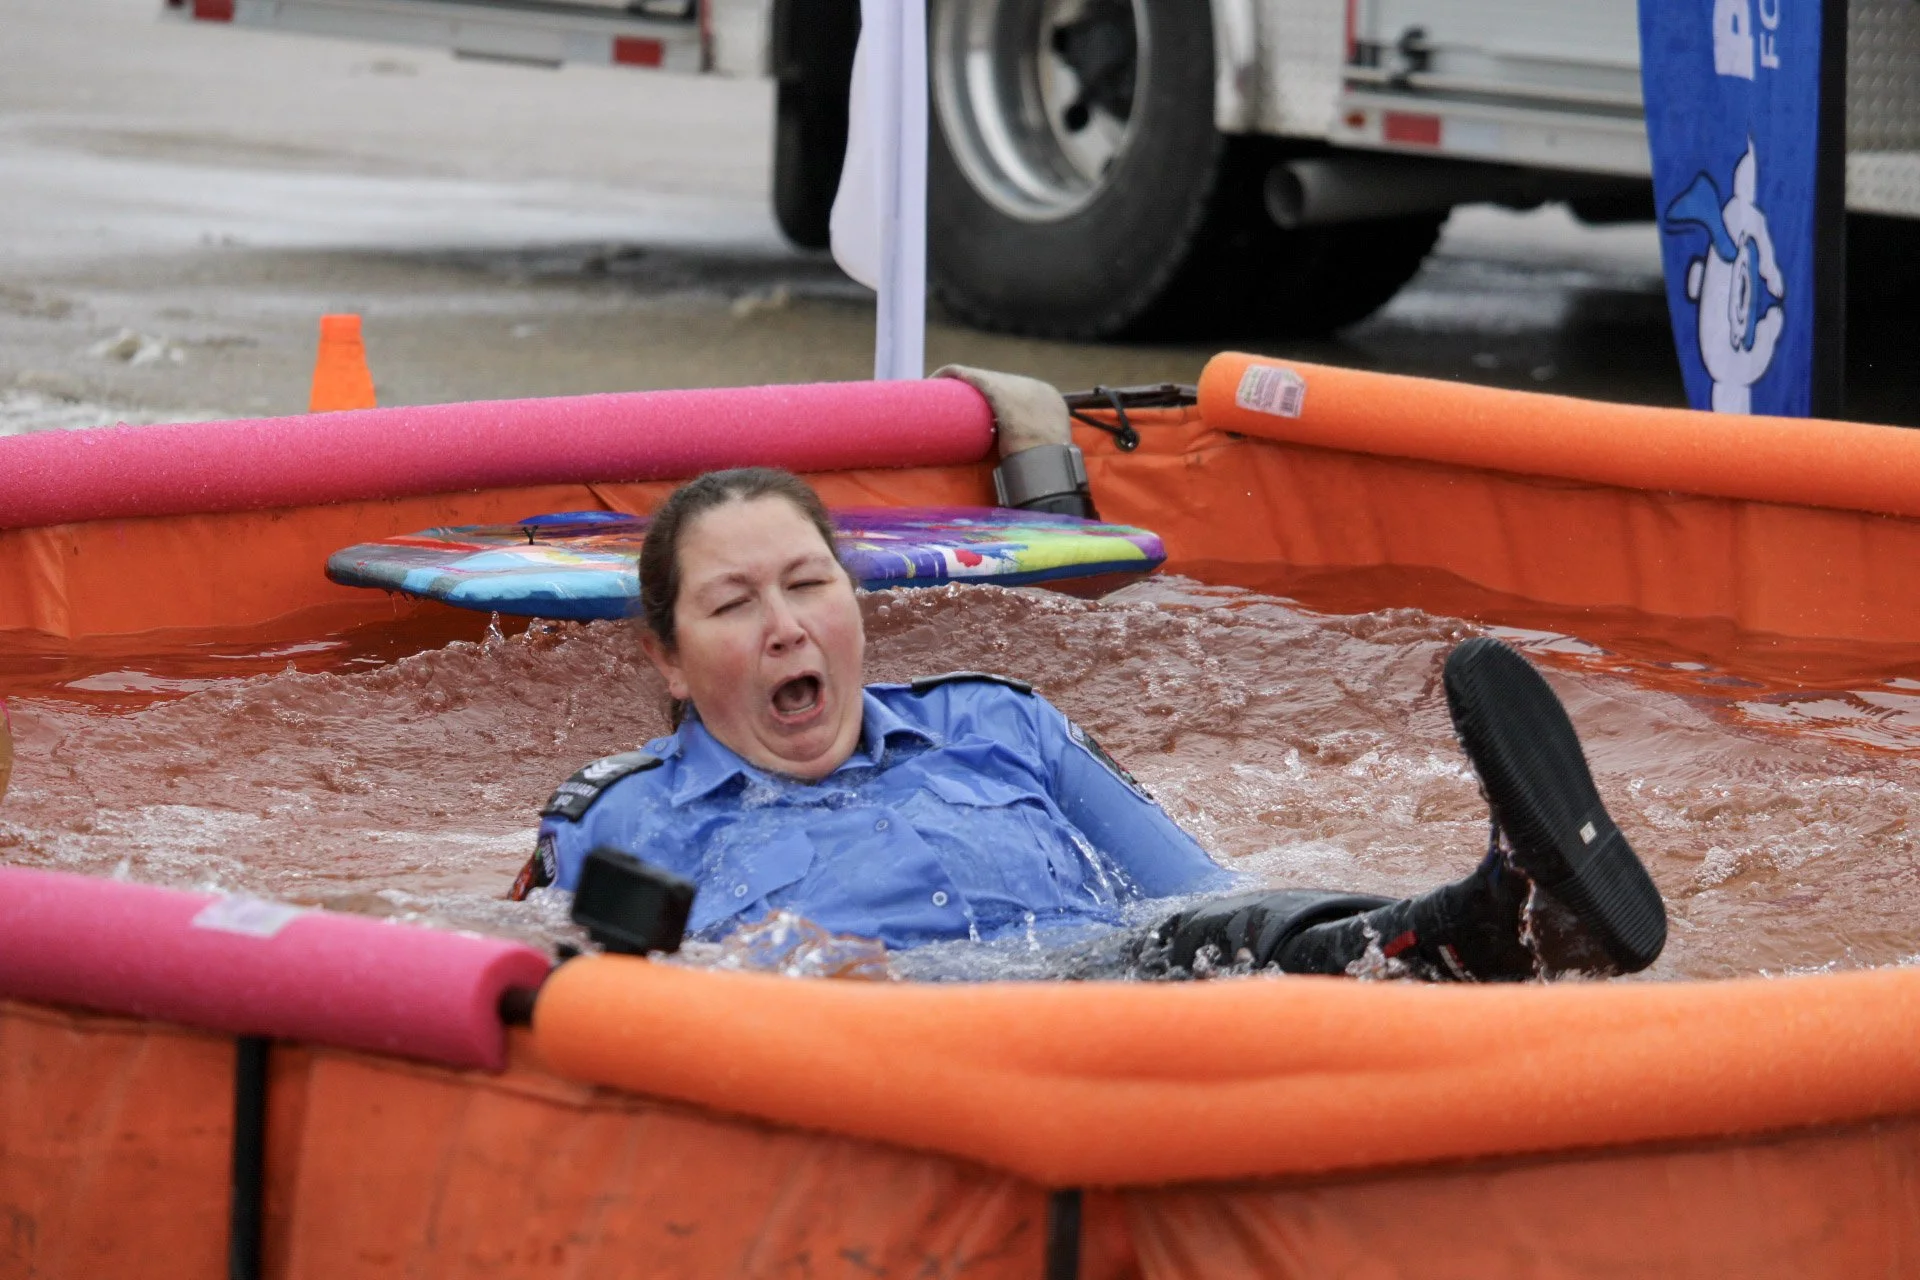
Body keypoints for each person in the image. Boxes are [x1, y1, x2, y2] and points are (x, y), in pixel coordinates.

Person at [511, 468, 1667, 981]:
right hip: (891, 1060)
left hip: (1128, 998)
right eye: (732, 602)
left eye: (809, 583)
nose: (785, 626)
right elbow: (616, 996)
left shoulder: (997, 723)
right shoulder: (625, 812)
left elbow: (1204, 892)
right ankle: (1493, 930)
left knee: (1206, 944)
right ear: (663, 651)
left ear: (855, 600)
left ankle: (1502, 915)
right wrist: (787, 980)